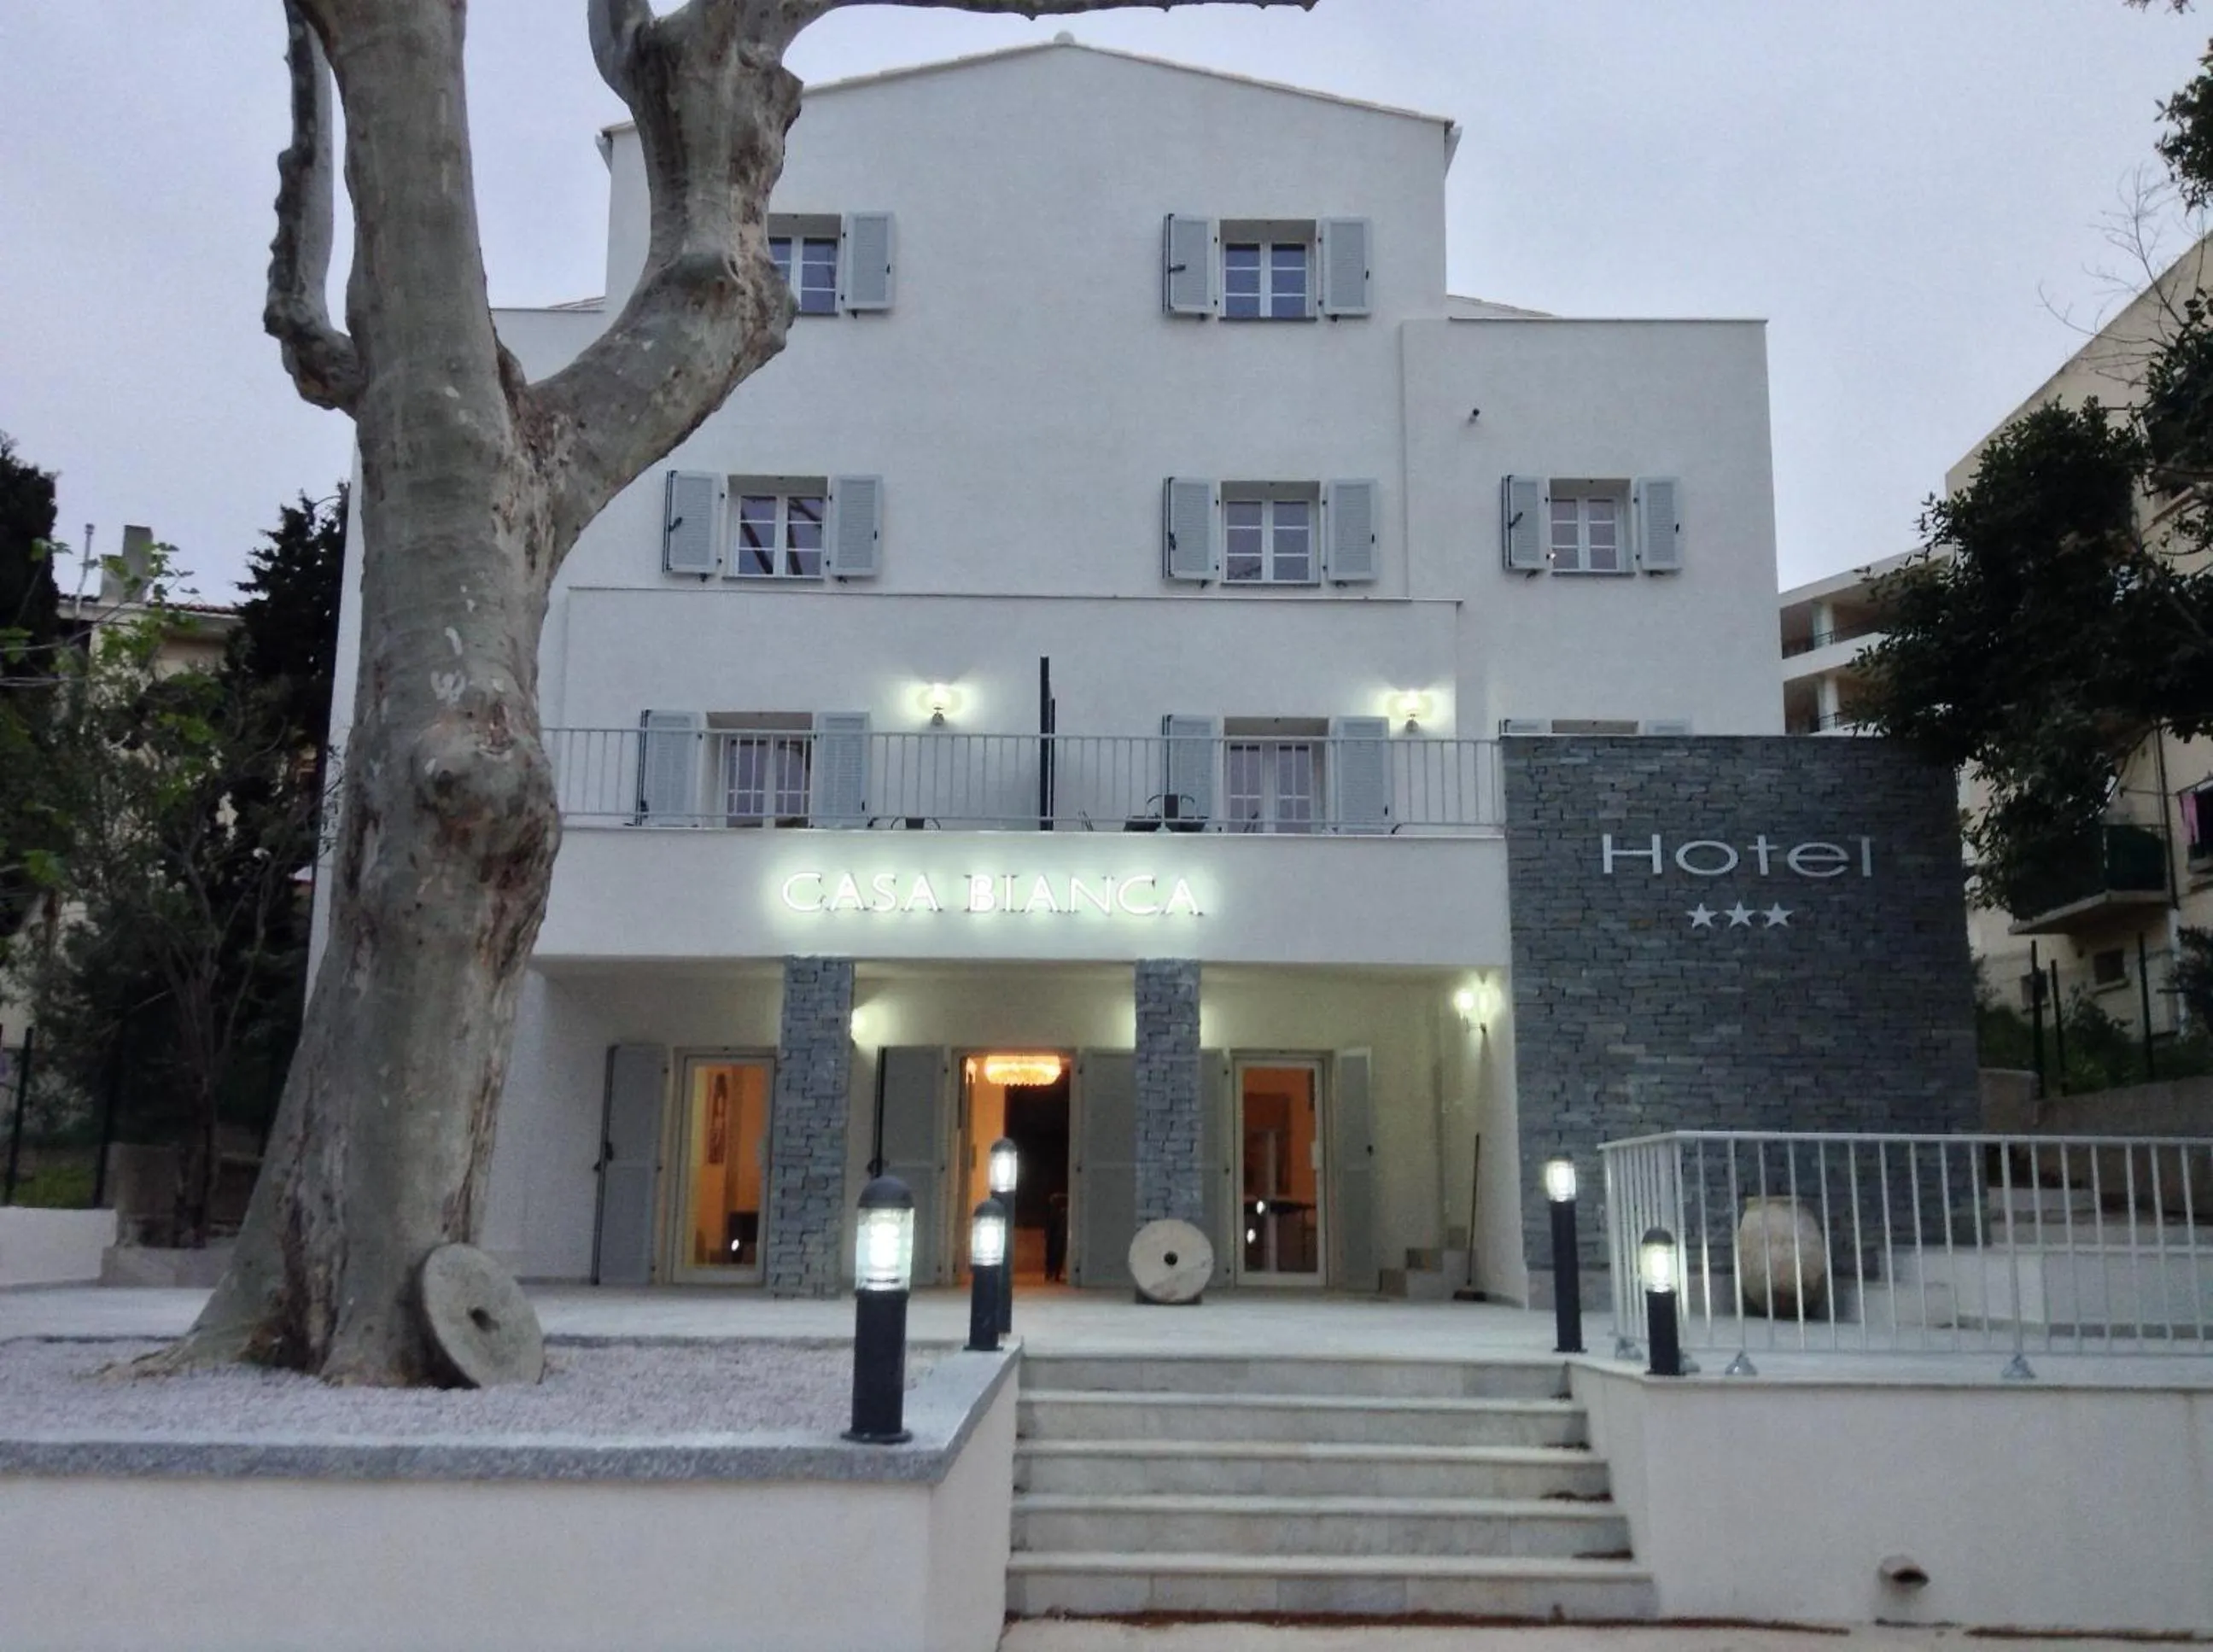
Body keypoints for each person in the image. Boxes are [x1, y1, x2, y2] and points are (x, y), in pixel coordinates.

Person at [1044, 1190, 1069, 1283]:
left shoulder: (1058, 1213)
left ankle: (1053, 1273)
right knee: (1054, 1255)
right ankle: (1052, 1273)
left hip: (1056, 1237)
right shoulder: (1059, 1213)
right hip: (1055, 1237)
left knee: (1055, 1255)